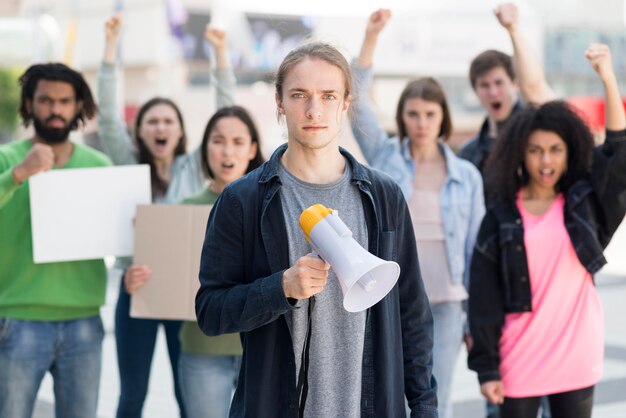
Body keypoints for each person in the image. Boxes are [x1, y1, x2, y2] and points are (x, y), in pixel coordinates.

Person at [195, 42, 438, 417]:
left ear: (345, 103)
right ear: (279, 102)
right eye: (299, 95)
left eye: (328, 96)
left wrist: (424, 408)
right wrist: (281, 289)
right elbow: (211, 311)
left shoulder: (384, 196)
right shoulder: (242, 200)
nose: (314, 110)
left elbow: (413, 315)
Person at [468, 43, 626, 418]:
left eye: (555, 149)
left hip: (576, 349)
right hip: (518, 355)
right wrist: (487, 365)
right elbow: (483, 297)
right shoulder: (501, 215)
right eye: (536, 150)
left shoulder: (584, 204)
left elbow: (619, 153)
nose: (546, 160)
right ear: (520, 153)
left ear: (569, 152)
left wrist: (607, 76)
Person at [98, 14, 235, 418]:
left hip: (183, 293)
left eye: (168, 121)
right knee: (132, 395)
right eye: (152, 121)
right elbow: (107, 117)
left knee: (185, 393)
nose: (160, 127)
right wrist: (110, 47)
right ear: (140, 130)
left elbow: (226, 112)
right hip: (136, 286)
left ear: (179, 132)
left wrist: (221, 52)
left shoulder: (195, 167)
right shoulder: (126, 163)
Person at [351, 9, 484, 418]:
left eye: (430, 114)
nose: (422, 123)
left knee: (435, 398)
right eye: (413, 114)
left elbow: (477, 250)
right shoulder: (385, 156)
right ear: (403, 118)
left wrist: (475, 320)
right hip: (390, 295)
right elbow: (355, 102)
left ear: (443, 115)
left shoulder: (466, 174)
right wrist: (371, 37)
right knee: (381, 392)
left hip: (445, 303)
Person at [0, 63, 111, 418]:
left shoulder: (99, 166)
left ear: (79, 106)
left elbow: (118, 234)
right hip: (18, 319)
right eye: (46, 100)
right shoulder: (7, 160)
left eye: (65, 101)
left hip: (84, 321)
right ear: (29, 104)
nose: (56, 110)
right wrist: (18, 174)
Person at [178, 105, 264, 418]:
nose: (227, 151)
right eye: (218, 141)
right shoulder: (184, 210)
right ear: (205, 148)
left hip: (260, 349)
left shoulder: (271, 204)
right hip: (203, 349)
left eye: (238, 142)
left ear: (252, 149)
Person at [460, 2, 554, 177]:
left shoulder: (536, 129)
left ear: (515, 83)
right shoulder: (468, 154)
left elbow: (534, 85)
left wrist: (513, 31)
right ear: (475, 91)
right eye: (485, 85)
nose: (493, 92)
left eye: (499, 83)